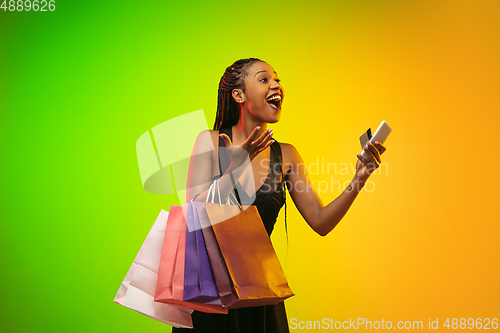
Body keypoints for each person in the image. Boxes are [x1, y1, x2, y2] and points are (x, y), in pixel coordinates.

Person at [175, 58, 386, 333]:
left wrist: (360, 178)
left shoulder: (286, 155)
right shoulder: (209, 141)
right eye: (264, 79)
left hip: (259, 294)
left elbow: (320, 221)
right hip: (209, 294)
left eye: (277, 80)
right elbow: (193, 215)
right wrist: (236, 168)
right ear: (238, 95)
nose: (276, 85)